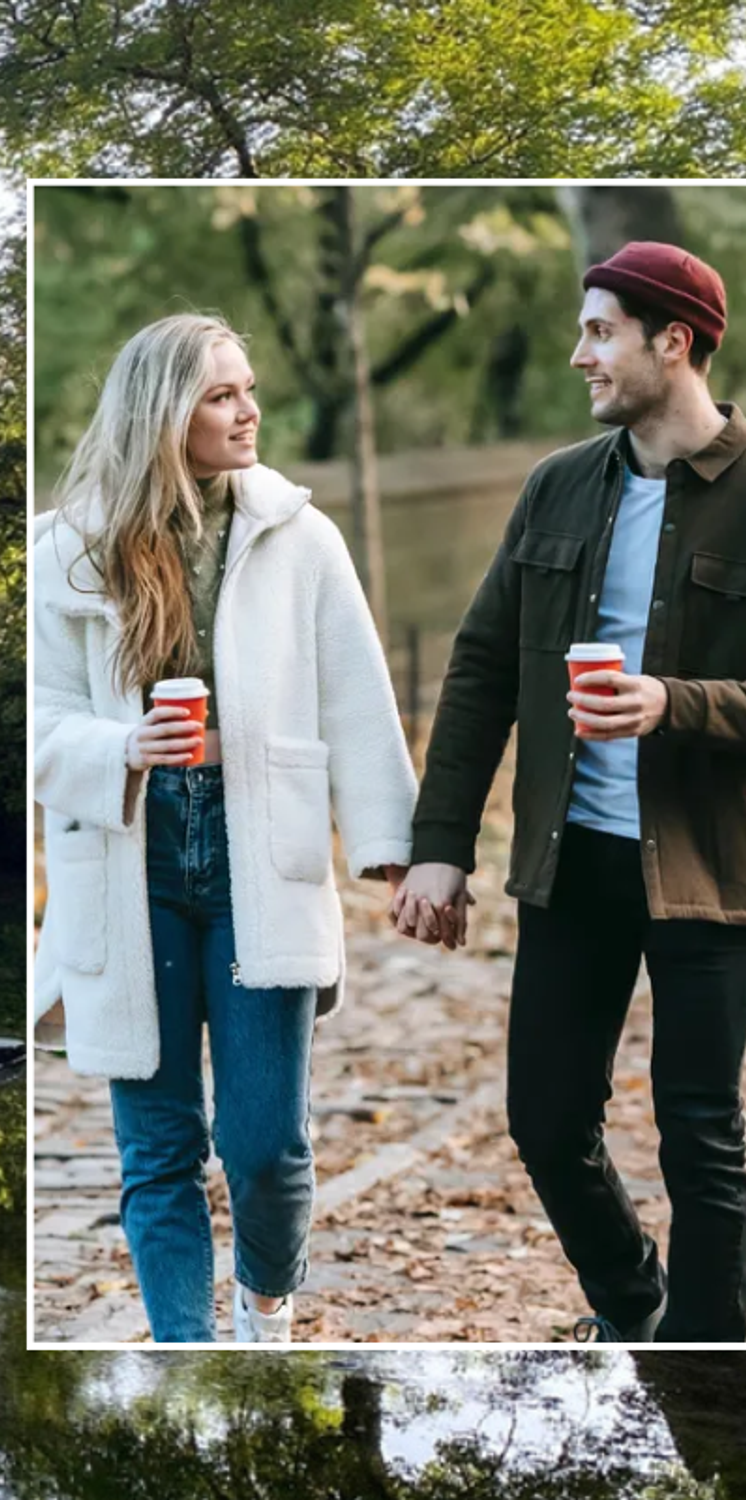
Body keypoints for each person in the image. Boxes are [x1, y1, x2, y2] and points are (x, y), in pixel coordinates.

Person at [33, 313, 416, 1343]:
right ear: (162, 414)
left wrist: (392, 846)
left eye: (246, 389)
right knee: (155, 1146)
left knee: (262, 1145)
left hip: (261, 852)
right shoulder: (66, 549)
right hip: (127, 859)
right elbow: (36, 722)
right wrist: (121, 751)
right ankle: (183, 1353)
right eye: (219, 396)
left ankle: (263, 1308)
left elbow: (356, 696)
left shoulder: (299, 534)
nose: (247, 412)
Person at [396, 241, 746, 1344]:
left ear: (670, 343)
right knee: (544, 1121)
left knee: (700, 1138)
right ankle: (630, 1305)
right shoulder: (558, 485)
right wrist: (437, 843)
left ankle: (705, 1368)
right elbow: (481, 668)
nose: (576, 354)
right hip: (572, 858)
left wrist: (670, 705)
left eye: (599, 331)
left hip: (711, 871)